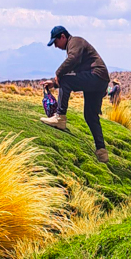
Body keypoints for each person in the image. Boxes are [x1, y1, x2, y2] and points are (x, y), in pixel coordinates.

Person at [40, 25, 110, 163]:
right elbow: (74, 76)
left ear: (63, 37)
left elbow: (72, 60)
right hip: (99, 80)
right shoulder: (74, 45)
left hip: (96, 76)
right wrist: (54, 84)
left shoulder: (75, 42)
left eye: (55, 42)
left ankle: (60, 117)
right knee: (90, 116)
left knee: (65, 79)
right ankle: (102, 152)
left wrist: (57, 74)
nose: (55, 46)